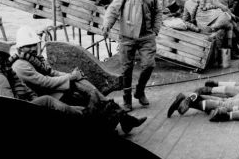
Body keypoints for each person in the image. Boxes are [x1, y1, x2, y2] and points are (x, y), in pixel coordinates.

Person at [9, 26, 146, 133]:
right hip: (47, 96)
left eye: (34, 44)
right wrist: (70, 77)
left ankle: (122, 118)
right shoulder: (21, 66)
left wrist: (71, 75)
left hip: (54, 91)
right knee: (86, 90)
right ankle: (123, 119)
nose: (33, 48)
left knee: (83, 84)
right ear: (20, 48)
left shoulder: (34, 60)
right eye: (29, 46)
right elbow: (45, 81)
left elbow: (52, 72)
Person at [102, 0, 162, 110]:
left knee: (149, 65)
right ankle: (127, 99)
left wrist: (155, 29)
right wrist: (107, 25)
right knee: (126, 69)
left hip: (146, 37)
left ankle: (140, 92)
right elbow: (113, 9)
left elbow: (158, 12)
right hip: (127, 37)